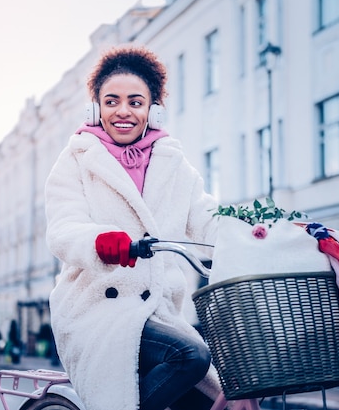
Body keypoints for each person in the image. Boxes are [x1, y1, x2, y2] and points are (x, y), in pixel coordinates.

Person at [45, 45, 221, 410]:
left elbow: (207, 219)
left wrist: (261, 234)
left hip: (160, 312)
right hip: (96, 311)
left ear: (152, 110)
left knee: (212, 400)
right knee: (190, 356)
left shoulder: (174, 163)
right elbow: (63, 228)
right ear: (95, 108)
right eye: (111, 101)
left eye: (135, 102)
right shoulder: (77, 159)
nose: (123, 111)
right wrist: (100, 242)